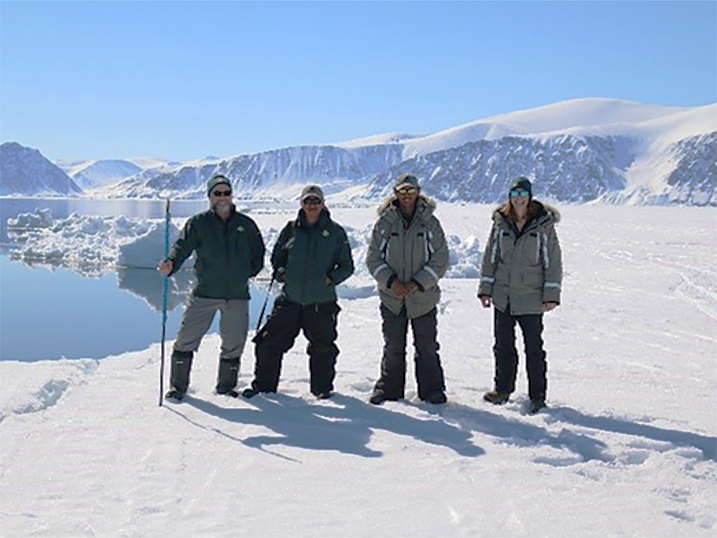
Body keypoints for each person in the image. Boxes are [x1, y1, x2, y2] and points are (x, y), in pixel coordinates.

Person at [158, 174, 265, 400]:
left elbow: (258, 254)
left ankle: (225, 388)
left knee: (234, 343)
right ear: (210, 197)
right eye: (217, 193)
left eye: (226, 192)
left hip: (237, 295)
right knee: (186, 339)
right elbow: (181, 247)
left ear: (232, 195)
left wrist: (245, 274)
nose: (222, 197)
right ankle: (178, 388)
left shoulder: (246, 225)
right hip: (205, 292)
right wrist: (172, 263)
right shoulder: (198, 224)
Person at [242, 185, 354, 399]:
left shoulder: (335, 232)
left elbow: (347, 266)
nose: (312, 205)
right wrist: (282, 272)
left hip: (321, 302)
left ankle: (322, 391)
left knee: (323, 349)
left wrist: (331, 279)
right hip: (290, 300)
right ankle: (264, 388)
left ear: (323, 203)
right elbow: (277, 258)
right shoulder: (290, 229)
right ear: (301, 204)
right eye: (307, 201)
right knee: (268, 343)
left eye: (316, 201)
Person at [477, 176, 562, 414]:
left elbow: (552, 261)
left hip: (532, 297)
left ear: (530, 197)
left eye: (523, 194)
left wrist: (551, 295)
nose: (519, 199)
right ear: (510, 197)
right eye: (515, 194)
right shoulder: (500, 223)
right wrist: (486, 289)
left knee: (533, 349)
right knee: (503, 346)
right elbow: (490, 258)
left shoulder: (542, 225)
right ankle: (502, 389)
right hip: (504, 296)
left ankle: (538, 396)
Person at [366, 173, 449, 405]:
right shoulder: (385, 222)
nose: (406, 196)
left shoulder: (430, 222)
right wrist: (392, 282)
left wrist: (418, 283)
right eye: (402, 191)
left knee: (427, 347)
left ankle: (432, 391)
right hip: (393, 297)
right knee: (393, 346)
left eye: (411, 191)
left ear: (418, 193)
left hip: (422, 297)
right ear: (395, 193)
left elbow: (440, 258)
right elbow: (373, 258)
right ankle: (389, 389)